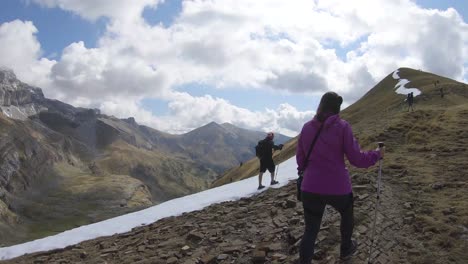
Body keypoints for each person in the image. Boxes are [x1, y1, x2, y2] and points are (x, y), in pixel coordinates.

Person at [296, 92, 384, 263]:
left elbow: (300, 157)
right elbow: (356, 159)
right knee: (346, 213)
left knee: (310, 230)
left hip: (310, 187)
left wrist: (306, 173)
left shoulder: (307, 127)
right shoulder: (342, 127)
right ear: (337, 109)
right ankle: (345, 249)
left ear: (320, 105)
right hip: (337, 187)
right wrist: (376, 155)